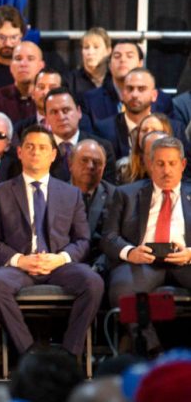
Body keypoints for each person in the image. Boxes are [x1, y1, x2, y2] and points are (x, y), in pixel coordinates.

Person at [0, 125, 103, 358]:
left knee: (93, 283)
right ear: (19, 152)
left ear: (53, 154)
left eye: (42, 147)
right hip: (20, 268)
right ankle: (30, 354)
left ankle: (69, 355)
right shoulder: (0, 192)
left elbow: (83, 240)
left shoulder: (71, 193)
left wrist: (60, 258)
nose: (35, 152)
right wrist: (19, 260)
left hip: (60, 266)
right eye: (30, 147)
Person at [101, 136, 191, 354]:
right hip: (143, 261)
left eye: (172, 163)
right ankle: (153, 350)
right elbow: (108, 237)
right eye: (160, 164)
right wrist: (130, 252)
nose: (166, 170)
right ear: (150, 165)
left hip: (185, 261)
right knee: (123, 289)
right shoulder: (126, 194)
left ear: (183, 164)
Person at [94, 67, 182, 160]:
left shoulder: (175, 129)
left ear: (154, 95)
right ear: (122, 94)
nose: (134, 95)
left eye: (141, 89)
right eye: (130, 89)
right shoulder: (103, 130)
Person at [82, 41, 173, 127]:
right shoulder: (90, 101)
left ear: (140, 63)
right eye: (117, 56)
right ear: (109, 65)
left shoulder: (162, 101)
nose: (123, 60)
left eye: (129, 56)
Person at [43, 87, 116, 183]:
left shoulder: (102, 148)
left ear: (79, 112)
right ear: (46, 118)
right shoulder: (40, 151)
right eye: (54, 112)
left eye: (66, 110)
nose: (61, 117)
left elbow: (106, 192)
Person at [69, 139, 115, 270]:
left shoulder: (116, 197)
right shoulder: (54, 193)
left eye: (97, 162)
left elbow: (114, 241)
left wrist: (98, 267)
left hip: (101, 265)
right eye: (84, 160)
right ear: (70, 164)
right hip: (64, 263)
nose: (90, 166)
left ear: (104, 168)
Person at [0, 41, 44, 124]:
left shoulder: (49, 100)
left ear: (41, 66)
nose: (23, 64)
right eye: (18, 59)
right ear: (11, 66)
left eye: (30, 59)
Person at [116, 113, 173, 185]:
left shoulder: (175, 166)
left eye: (154, 130)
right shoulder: (123, 168)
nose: (148, 133)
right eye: (144, 130)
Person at [13, 67, 64, 138]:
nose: (45, 92)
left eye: (52, 88)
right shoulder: (20, 129)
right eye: (41, 87)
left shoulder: (76, 126)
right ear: (33, 93)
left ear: (63, 94)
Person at [65, 27, 112, 101]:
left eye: (96, 47)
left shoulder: (115, 78)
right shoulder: (70, 80)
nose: (90, 52)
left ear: (108, 51)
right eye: (86, 47)